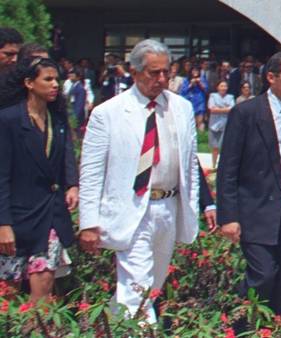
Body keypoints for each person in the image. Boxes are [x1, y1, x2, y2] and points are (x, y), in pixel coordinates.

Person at [78, 39, 199, 323]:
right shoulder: (108, 113)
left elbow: (190, 163)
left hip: (168, 206)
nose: (161, 79)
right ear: (134, 72)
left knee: (153, 287)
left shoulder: (181, 108)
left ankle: (114, 325)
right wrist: (88, 223)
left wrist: (197, 206)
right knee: (136, 286)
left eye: (166, 73)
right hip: (131, 209)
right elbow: (91, 171)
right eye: (153, 73)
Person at [216, 51, 281, 319]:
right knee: (263, 274)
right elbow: (228, 167)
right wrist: (228, 217)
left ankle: (275, 328)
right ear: (270, 77)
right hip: (255, 210)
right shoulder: (246, 113)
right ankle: (243, 327)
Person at [0, 57, 78, 302]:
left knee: (43, 284)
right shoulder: (8, 120)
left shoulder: (58, 120)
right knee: (8, 295)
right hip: (17, 214)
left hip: (50, 212)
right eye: (48, 79)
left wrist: (72, 185)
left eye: (57, 79)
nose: (55, 84)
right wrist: (3, 224)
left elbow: (67, 154)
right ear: (29, 83)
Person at [207, 80, 235, 169]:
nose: (223, 88)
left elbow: (232, 109)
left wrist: (219, 108)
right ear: (218, 87)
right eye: (221, 86)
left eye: (225, 86)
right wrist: (225, 109)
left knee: (224, 147)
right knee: (215, 147)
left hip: (226, 125)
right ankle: (214, 165)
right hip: (214, 125)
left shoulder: (230, 97)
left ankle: (223, 166)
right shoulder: (213, 96)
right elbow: (212, 109)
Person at [180, 65, 208, 131]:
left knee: (200, 121)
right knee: (190, 122)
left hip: (200, 102)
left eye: (197, 70)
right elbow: (182, 92)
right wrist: (190, 85)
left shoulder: (202, 79)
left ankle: (201, 137)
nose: (195, 72)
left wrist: (200, 83)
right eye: (194, 70)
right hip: (189, 102)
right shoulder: (186, 80)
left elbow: (206, 90)